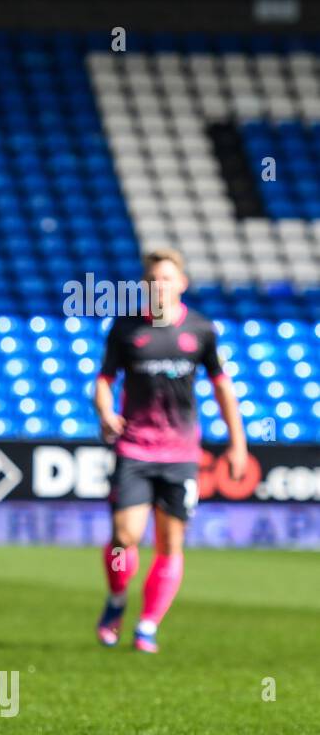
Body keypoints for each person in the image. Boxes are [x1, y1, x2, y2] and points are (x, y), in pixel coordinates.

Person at [94, 248, 248, 653]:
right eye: (153, 280)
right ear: (145, 286)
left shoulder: (201, 329)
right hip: (135, 449)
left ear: (182, 283)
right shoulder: (126, 329)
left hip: (180, 454)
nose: (159, 286)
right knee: (124, 537)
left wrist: (237, 443)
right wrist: (106, 413)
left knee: (170, 542)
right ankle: (116, 600)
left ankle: (147, 625)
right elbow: (104, 380)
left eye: (167, 279)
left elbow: (222, 387)